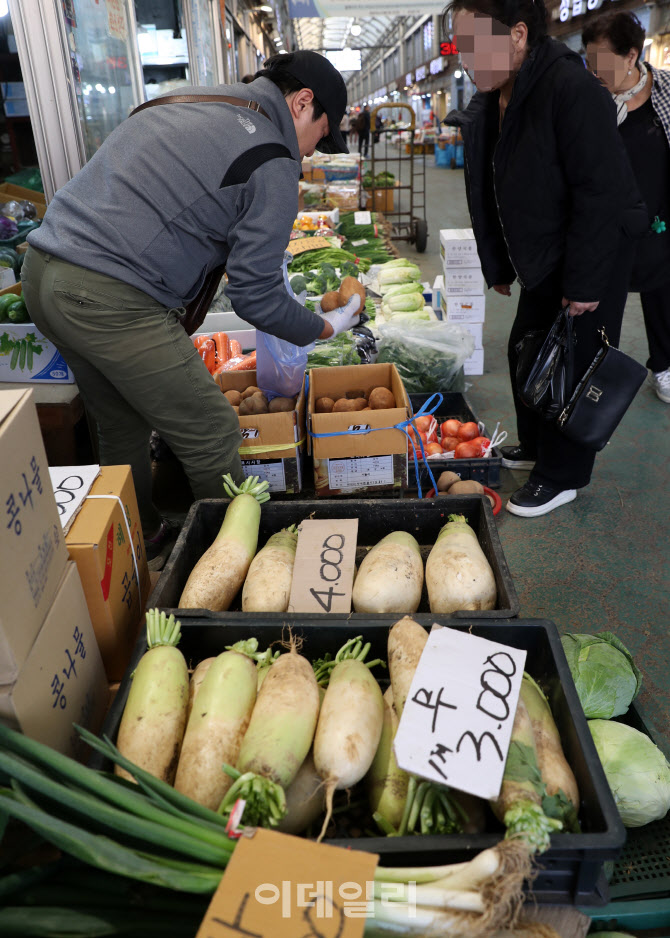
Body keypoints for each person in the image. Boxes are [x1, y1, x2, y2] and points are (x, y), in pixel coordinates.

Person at [21, 51, 360, 569]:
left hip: (44, 272)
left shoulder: (200, 98)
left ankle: (145, 535)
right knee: (211, 430)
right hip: (108, 296)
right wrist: (324, 324)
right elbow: (255, 294)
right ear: (302, 102)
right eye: (322, 133)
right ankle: (228, 562)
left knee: (119, 422)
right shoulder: (273, 156)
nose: (313, 152)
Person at [443, 0, 645, 517]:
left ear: (516, 35)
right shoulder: (496, 97)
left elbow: (600, 192)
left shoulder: (568, 88)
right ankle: (535, 448)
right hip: (544, 249)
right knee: (526, 348)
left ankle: (563, 474)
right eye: (459, 46)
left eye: (473, 44)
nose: (465, 58)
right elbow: (488, 187)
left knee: (574, 362)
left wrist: (583, 280)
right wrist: (501, 263)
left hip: (590, 246)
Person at [582, 11, 670, 405]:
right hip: (608, 221)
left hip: (659, 216)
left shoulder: (665, 92)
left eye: (601, 61)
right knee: (600, 299)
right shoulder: (588, 98)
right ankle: (592, 371)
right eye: (588, 61)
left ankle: (666, 367)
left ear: (631, 55)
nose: (593, 69)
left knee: (663, 292)